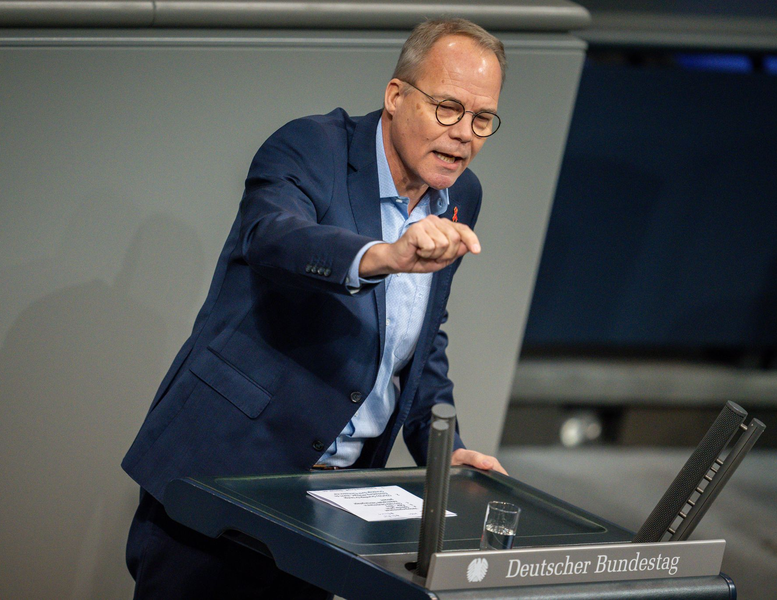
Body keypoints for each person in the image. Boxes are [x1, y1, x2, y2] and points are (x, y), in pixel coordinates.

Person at [122, 17, 507, 599]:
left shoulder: (462, 195)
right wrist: (383, 255)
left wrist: (446, 455)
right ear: (396, 96)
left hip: (334, 504)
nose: (464, 135)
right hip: (226, 471)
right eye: (448, 108)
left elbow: (419, 346)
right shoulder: (312, 146)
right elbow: (274, 237)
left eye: (482, 119)